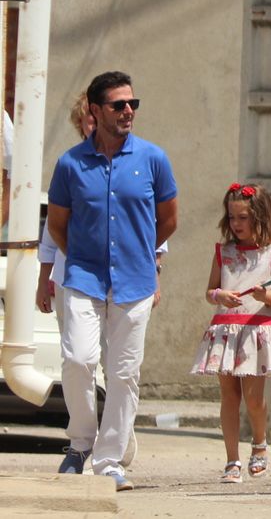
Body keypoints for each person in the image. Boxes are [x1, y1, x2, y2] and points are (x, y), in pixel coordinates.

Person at [46, 71, 179, 490]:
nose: (128, 111)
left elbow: (169, 219)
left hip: (135, 283)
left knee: (124, 374)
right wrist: (86, 256)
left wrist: (138, 255)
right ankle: (81, 441)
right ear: (94, 110)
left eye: (132, 105)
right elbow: (57, 225)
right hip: (83, 278)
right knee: (79, 360)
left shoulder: (153, 159)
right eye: (118, 105)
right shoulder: (70, 164)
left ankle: (109, 462)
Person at [191, 184, 271, 483]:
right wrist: (219, 295)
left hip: (257, 330)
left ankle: (259, 445)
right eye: (232, 217)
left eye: (243, 217)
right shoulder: (224, 252)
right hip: (226, 329)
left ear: (260, 217)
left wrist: (264, 296)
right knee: (229, 396)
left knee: (253, 398)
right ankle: (232, 460)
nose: (236, 224)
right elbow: (210, 291)